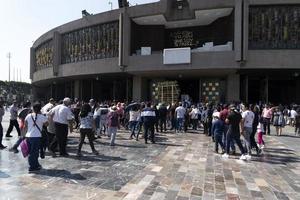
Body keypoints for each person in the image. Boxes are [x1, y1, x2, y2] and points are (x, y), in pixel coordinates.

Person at [25, 102, 48, 172]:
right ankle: (32, 167)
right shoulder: (42, 117)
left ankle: (36, 164)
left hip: (28, 136)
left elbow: (25, 125)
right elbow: (47, 124)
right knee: (34, 152)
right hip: (36, 137)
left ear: (33, 108)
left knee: (31, 152)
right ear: (40, 109)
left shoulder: (28, 116)